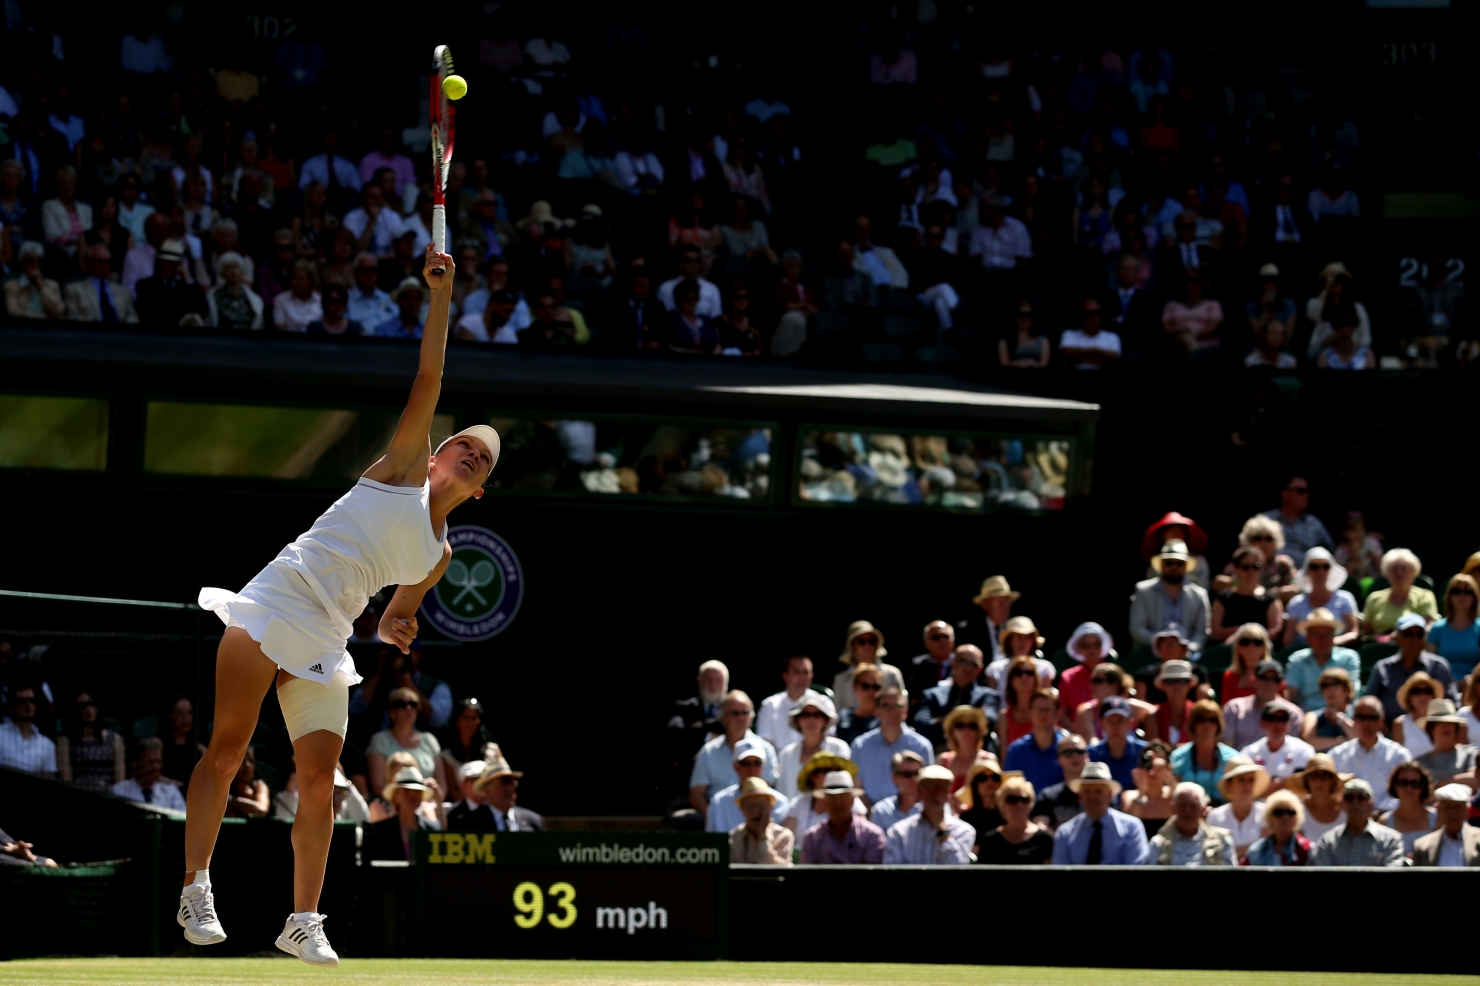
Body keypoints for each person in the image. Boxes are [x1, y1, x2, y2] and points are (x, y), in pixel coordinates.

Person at [183, 244, 493, 964]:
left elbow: (391, 616)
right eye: (466, 446)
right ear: (437, 453)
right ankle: (196, 885)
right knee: (228, 750)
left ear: (479, 491)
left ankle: (303, 921)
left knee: (320, 781)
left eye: (485, 460)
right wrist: (441, 295)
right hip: (277, 597)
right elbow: (430, 374)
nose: (473, 454)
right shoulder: (401, 466)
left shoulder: (441, 555)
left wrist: (398, 623)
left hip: (327, 635)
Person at [689, 691, 779, 813]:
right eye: (735, 713)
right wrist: (713, 820)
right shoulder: (708, 751)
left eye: (745, 713)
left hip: (754, 816)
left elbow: (764, 790)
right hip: (716, 815)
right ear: (723, 717)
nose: (741, 718)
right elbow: (696, 794)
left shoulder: (766, 749)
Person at [1050, 762, 1148, 864]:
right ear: (1080, 795)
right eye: (1087, 791)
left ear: (1109, 795)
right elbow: (1060, 874)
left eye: (1098, 791)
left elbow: (1135, 872)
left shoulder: (1131, 828)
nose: (1093, 797)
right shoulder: (1065, 833)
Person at [849, 687, 934, 805]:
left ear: (906, 711)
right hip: (869, 816)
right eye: (887, 706)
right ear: (877, 711)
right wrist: (873, 815)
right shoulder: (861, 745)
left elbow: (926, 788)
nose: (893, 711)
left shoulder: (921, 746)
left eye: (898, 706)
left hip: (910, 815)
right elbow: (856, 788)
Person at [1368, 617, 1455, 724]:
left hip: (1432, 734)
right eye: (1408, 634)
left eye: (1420, 634)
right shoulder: (1382, 668)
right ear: (1397, 638)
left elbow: (1452, 704)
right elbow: (1369, 703)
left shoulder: (1439, 666)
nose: (1415, 639)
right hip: (1388, 733)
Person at [883, 764, 976, 865]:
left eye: (942, 787)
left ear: (949, 791)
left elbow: (957, 870)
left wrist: (942, 829)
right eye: (930, 787)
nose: (936, 793)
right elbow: (892, 874)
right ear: (919, 790)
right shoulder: (899, 831)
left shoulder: (963, 830)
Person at [1330, 697, 1412, 811]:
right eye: (1361, 717)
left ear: (1382, 721)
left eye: (1372, 717)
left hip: (1385, 819)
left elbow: (1404, 793)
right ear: (1353, 720)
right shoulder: (1337, 755)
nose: (1366, 723)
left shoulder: (1399, 756)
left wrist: (1379, 813)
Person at [1129, 540, 1211, 650]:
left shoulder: (1199, 595)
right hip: (1149, 652)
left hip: (1187, 654)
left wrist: (1186, 648)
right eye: (1169, 563)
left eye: (1179, 563)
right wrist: (1162, 645)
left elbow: (1201, 633)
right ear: (1161, 565)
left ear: (1186, 566)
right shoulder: (1143, 590)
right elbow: (1137, 629)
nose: (1174, 567)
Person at [1308, 779, 1405, 867]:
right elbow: (1321, 877)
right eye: (1349, 797)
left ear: (1371, 804)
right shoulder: (1328, 841)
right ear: (1342, 804)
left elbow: (1393, 877)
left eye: (1361, 797)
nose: (1355, 802)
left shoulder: (1390, 840)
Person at [799, 771, 886, 864]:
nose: (838, 803)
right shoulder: (812, 838)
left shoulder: (872, 836)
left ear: (852, 800)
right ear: (824, 801)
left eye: (843, 796)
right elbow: (806, 875)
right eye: (832, 797)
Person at [1285, 609, 1362, 711]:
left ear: (1334, 636)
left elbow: (1352, 693)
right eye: (1317, 634)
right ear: (1307, 638)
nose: (1322, 639)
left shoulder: (1348, 658)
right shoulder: (1297, 660)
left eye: (1328, 634)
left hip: (1341, 716)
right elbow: (1290, 696)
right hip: (1304, 718)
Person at [915, 648, 993, 750]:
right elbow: (922, 725)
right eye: (964, 662)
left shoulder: (988, 696)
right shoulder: (933, 695)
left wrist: (941, 720)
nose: (968, 668)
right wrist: (974, 717)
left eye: (974, 664)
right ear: (953, 663)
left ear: (980, 669)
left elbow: (989, 721)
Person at [775, 695, 850, 799]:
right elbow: (782, 792)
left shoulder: (839, 748)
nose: (811, 720)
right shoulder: (786, 754)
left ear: (825, 721)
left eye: (817, 715)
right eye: (806, 715)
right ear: (798, 721)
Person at [1283, 549, 1359, 648]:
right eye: (1315, 567)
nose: (1320, 571)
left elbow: (1352, 632)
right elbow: (1289, 638)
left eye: (1326, 566)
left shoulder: (1345, 599)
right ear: (1307, 571)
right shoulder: (1296, 603)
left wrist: (1328, 643)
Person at [1223, 660, 1305, 751]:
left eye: (1274, 680)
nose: (1268, 683)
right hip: (1240, 763)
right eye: (1263, 678)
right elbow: (1226, 748)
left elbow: (1293, 750)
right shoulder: (1234, 709)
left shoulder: (1293, 714)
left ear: (1281, 685)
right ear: (1253, 680)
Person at [1170, 700, 1240, 805]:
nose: (1207, 725)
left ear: (1219, 725)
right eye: (1201, 719)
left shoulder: (1233, 759)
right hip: (1188, 813)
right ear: (1193, 724)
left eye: (1212, 720)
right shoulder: (1178, 757)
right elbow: (1173, 793)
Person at [1148, 783, 1236, 866]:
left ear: (1203, 809)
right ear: (1173, 808)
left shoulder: (1222, 841)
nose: (1187, 811)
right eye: (1182, 805)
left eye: (1193, 806)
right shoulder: (1158, 844)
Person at [365, 766, 440, 863]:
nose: (412, 795)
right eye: (407, 790)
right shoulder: (380, 831)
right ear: (396, 796)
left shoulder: (432, 829)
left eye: (417, 791)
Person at [1004, 690, 1072, 793]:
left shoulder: (1069, 749)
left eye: (1047, 710)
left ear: (1057, 713)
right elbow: (1008, 789)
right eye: (1039, 709)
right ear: (1030, 712)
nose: (1043, 714)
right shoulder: (1016, 751)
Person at [56, 690, 125, 791]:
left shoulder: (115, 739)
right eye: (83, 706)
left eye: (91, 704)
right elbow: (66, 779)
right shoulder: (65, 741)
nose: (88, 710)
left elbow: (120, 780)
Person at [1362, 549, 1439, 638]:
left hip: (1412, 646)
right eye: (1394, 569)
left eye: (1404, 569)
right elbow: (1365, 633)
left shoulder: (1425, 596)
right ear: (1387, 573)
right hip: (1380, 648)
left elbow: (1429, 627)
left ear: (1413, 572)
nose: (1399, 573)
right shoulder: (1374, 598)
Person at [1210, 550, 1283, 644]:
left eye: (1256, 566)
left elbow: (1274, 632)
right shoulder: (1223, 597)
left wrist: (1247, 637)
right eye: (1245, 567)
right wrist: (1241, 632)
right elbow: (1215, 633)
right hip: (1226, 652)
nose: (1251, 571)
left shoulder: (1271, 599)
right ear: (1236, 568)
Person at [976, 775, 1053, 863]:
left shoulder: (1044, 839)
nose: (1019, 804)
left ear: (1031, 804)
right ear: (1002, 805)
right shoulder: (990, 840)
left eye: (1024, 799)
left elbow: (1049, 874)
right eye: (1012, 799)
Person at [1240, 701, 1316, 790]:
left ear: (1289, 723)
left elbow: (1300, 786)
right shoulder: (1249, 753)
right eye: (1272, 719)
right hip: (1258, 803)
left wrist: (1272, 786)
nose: (1278, 724)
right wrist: (1281, 784)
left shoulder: (1303, 749)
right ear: (1262, 723)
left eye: (1283, 719)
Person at [1206, 756, 1270, 858]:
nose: (1247, 784)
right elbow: (1215, 853)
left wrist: (1232, 850)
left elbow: (1270, 851)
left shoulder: (1267, 813)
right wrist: (1258, 845)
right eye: (1241, 780)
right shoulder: (1215, 817)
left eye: (1251, 780)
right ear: (1229, 784)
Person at [831, 621, 904, 709]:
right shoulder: (841, 679)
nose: (867, 645)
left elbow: (900, 707)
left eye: (872, 641)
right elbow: (837, 711)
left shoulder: (892, 674)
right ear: (853, 646)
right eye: (861, 641)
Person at [1261, 477, 1334, 562]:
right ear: (1285, 493)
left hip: (1306, 573)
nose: (1306, 496)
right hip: (1272, 572)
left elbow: (1331, 551)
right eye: (1301, 491)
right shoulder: (1265, 520)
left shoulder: (1314, 523)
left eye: (1307, 491)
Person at [755, 655, 820, 751]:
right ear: (785, 676)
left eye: (806, 672)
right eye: (797, 671)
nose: (802, 676)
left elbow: (828, 740)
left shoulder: (823, 703)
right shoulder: (769, 705)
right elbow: (765, 746)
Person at [1056, 622, 1115, 727]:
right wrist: (1076, 731)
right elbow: (1062, 713)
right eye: (1086, 645)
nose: (1092, 649)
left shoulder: (1114, 675)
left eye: (1096, 644)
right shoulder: (1067, 677)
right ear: (1079, 648)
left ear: (1102, 647)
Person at [111, 737, 188, 812]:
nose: (156, 767)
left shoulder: (171, 792)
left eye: (158, 762)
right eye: (151, 763)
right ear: (134, 763)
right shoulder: (119, 792)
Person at [65, 244, 139, 323]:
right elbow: (72, 317)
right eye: (99, 261)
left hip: (120, 333)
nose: (104, 265)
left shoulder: (123, 291)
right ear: (88, 263)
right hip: (89, 333)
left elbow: (133, 318)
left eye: (108, 261)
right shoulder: (73, 290)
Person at [1411, 783, 1480, 866]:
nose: (1452, 812)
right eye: (1447, 806)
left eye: (1458, 806)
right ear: (1438, 810)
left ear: (1468, 810)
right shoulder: (1423, 846)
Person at [729, 777, 793, 864]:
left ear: (770, 807)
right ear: (742, 809)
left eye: (760, 806)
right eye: (750, 806)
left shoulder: (783, 836)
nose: (755, 811)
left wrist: (762, 836)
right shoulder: (733, 839)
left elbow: (780, 872)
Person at [1088, 697, 1147, 791]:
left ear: (1130, 723)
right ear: (1101, 724)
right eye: (1110, 721)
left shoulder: (1145, 751)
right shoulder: (1091, 753)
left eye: (1120, 720)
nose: (1115, 726)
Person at [473, 751, 543, 831]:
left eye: (512, 783)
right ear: (487, 789)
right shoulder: (470, 822)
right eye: (503, 783)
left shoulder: (533, 821)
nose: (509, 788)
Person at [1414, 700, 1477, 786]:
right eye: (1440, 723)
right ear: (1431, 729)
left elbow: (1475, 779)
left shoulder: (1470, 753)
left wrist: (1439, 785)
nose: (1446, 726)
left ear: (1456, 728)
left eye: (1450, 723)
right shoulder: (1419, 763)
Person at [1428, 574, 1480, 679]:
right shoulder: (1437, 628)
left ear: (1475, 596)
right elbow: (1429, 665)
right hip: (1442, 685)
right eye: (1456, 591)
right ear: (1449, 596)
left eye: (1467, 591)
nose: (1462, 595)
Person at [1034, 734, 1089, 830]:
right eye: (1068, 752)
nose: (1075, 756)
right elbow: (1040, 827)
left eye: (1079, 751)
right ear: (1059, 760)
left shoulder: (1102, 792)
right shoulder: (1048, 796)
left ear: (1087, 757)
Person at [958, 575, 1019, 661]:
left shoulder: (1016, 629)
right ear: (985, 605)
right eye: (998, 602)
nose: (1004, 606)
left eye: (1006, 601)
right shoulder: (969, 630)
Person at [1244, 790, 1313, 866]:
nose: (1285, 817)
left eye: (1291, 812)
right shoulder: (1256, 851)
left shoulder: (1307, 850)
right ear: (1269, 818)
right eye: (1279, 812)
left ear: (1297, 818)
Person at [1122, 742, 1177, 837]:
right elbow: (1128, 831)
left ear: (1169, 767)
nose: (1152, 770)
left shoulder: (1173, 796)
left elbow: (1183, 801)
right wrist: (1141, 793)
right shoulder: (1129, 797)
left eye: (1158, 765)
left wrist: (1168, 778)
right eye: (1148, 763)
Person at [0, 685, 57, 777]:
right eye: (22, 701)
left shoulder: (47, 745)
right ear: (11, 708)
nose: (28, 705)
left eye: (32, 701)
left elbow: (49, 782)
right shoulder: (1, 733)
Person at [436, 697, 497, 782]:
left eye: (474, 718)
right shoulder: (446, 757)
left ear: (479, 721)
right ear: (457, 721)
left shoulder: (493, 750)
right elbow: (454, 792)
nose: (470, 722)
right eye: (465, 717)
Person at [937, 705, 995, 792]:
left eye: (972, 726)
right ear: (952, 731)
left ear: (979, 731)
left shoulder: (988, 759)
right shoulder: (943, 760)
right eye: (960, 725)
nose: (966, 730)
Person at [867, 751, 926, 833]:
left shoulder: (933, 808)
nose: (914, 778)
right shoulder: (881, 811)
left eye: (917, 773)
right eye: (907, 774)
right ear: (894, 778)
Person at [1219, 623, 1278, 703]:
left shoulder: (1275, 674)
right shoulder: (1229, 676)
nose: (1251, 646)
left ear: (1264, 648)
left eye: (1257, 642)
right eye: (1245, 642)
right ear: (1238, 648)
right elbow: (1225, 709)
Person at [1301, 668, 1358, 752]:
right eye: (1324, 686)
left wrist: (1339, 718)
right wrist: (1341, 741)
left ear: (1346, 690)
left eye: (1334, 684)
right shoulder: (1313, 716)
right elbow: (1308, 742)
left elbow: (1360, 739)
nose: (1329, 690)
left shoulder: (1358, 713)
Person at [4, 241, 64, 319]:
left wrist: (41, 286)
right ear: (22, 263)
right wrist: (45, 318)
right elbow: (14, 312)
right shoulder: (11, 286)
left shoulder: (53, 285)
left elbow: (58, 310)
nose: (36, 265)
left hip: (49, 329)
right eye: (31, 261)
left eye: (39, 261)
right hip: (21, 328)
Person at [1058, 296, 1122, 368]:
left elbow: (1114, 357)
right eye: (1087, 314)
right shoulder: (1069, 334)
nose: (1092, 317)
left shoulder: (1112, 337)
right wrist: (1097, 353)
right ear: (1081, 316)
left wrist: (1079, 359)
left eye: (1096, 313)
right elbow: (1066, 353)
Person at [1391, 670, 1443, 758]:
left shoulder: (1443, 721)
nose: (1423, 696)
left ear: (1433, 696)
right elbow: (1398, 759)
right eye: (1416, 691)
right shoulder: (1400, 724)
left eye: (1428, 691)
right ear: (1409, 698)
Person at [159, 695, 204, 791]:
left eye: (189, 713)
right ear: (170, 715)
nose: (185, 718)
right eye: (180, 713)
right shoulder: (160, 746)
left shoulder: (198, 749)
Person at [905, 620, 958, 701]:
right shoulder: (917, 665)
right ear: (926, 642)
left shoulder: (963, 663)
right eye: (936, 637)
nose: (942, 641)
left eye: (946, 636)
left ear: (953, 640)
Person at [836, 663, 883, 743]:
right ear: (855, 687)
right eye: (866, 686)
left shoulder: (886, 719)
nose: (871, 691)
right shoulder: (844, 716)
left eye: (876, 686)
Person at [221, 746, 271, 818]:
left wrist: (230, 800)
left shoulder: (259, 786)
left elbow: (261, 809)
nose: (247, 765)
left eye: (251, 761)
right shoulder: (225, 786)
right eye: (242, 761)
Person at [444, 759, 495, 830]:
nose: (482, 785)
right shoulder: (452, 814)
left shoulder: (499, 809)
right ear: (463, 786)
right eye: (476, 780)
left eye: (485, 781)